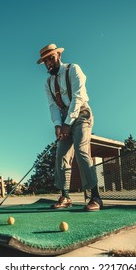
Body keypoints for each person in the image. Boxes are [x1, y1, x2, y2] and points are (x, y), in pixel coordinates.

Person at [37, 43, 103, 212]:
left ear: (58, 56)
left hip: (81, 114)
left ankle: (95, 197)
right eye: (46, 61)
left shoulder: (73, 69)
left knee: (81, 151)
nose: (49, 63)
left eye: (51, 58)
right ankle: (65, 196)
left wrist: (68, 123)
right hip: (64, 118)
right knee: (61, 155)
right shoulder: (47, 83)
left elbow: (78, 97)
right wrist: (58, 126)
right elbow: (53, 106)